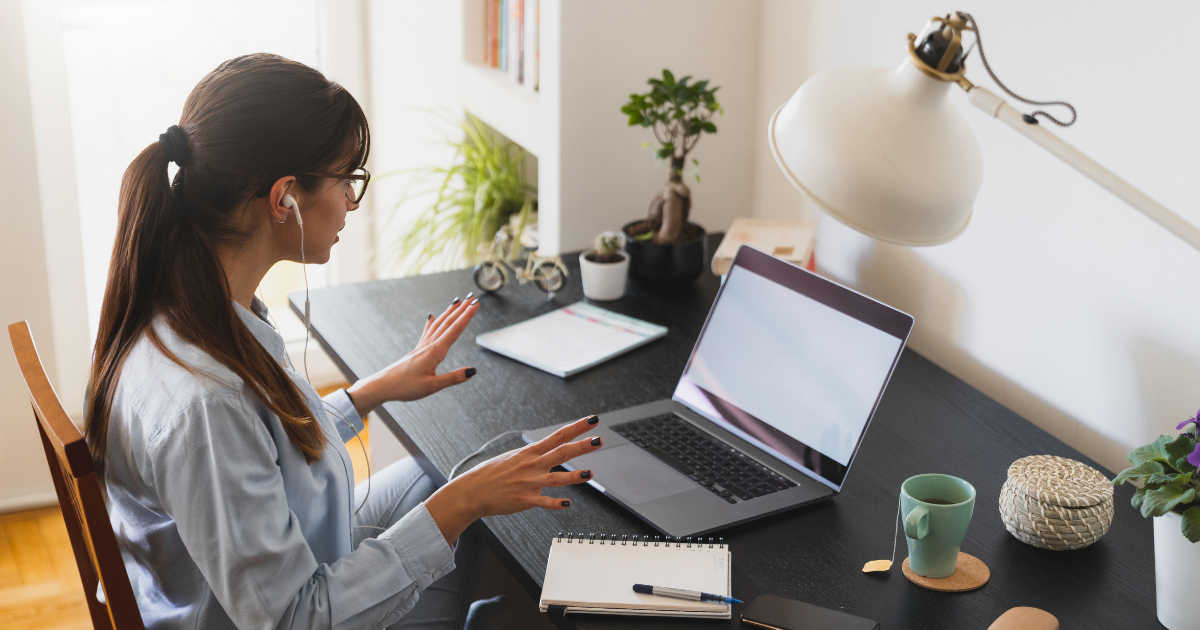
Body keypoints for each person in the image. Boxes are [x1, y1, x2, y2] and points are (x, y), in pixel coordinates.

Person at [84, 53, 601, 629]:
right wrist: (463, 504)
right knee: (477, 525)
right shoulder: (208, 401)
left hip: (281, 565)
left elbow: (259, 447)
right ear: (286, 197)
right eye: (347, 179)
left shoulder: (188, 306)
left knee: (466, 467)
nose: (354, 203)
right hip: (295, 610)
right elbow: (294, 618)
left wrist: (369, 393)